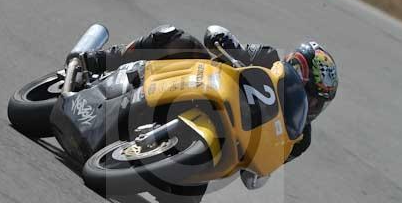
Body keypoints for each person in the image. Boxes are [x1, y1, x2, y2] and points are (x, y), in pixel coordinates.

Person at [84, 24, 338, 162]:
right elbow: (234, 48)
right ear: (295, 72)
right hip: (197, 84)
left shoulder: (300, 137)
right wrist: (227, 43)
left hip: (223, 141)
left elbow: (267, 163)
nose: (312, 107)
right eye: (311, 96)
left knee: (184, 202)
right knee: (175, 37)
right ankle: (102, 60)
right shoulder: (267, 57)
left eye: (319, 104)